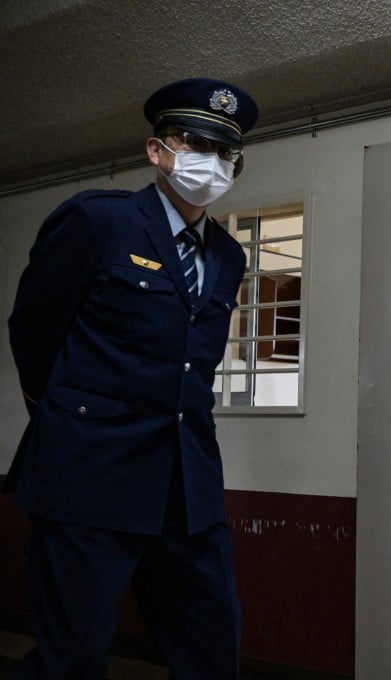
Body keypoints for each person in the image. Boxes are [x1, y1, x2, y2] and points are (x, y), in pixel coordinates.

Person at [3, 77, 258, 679]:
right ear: (156, 150)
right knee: (72, 658)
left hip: (186, 482)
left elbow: (196, 363)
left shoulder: (227, 256)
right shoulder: (99, 220)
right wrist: (70, 422)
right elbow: (34, 331)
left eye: (225, 152)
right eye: (196, 143)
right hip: (90, 472)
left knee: (212, 648)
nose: (211, 163)